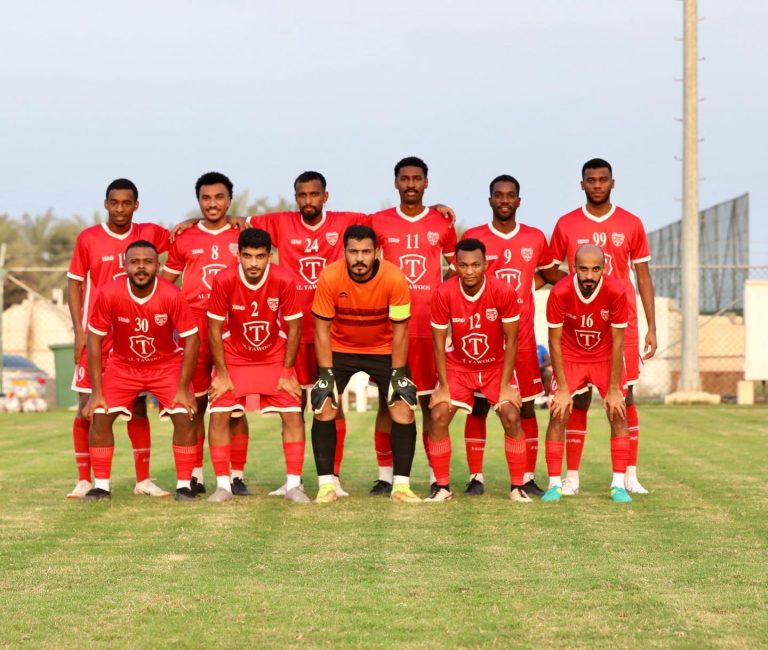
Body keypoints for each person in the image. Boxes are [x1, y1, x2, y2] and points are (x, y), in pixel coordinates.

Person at [548, 158, 656, 495]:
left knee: (625, 397)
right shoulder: (566, 223)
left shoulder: (631, 223)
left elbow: (643, 276)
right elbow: (549, 268)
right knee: (577, 400)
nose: (597, 185)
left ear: (613, 182)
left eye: (603, 179)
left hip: (622, 323)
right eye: (591, 180)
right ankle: (571, 477)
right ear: (582, 184)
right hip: (579, 327)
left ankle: (629, 475)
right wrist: (576, 289)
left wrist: (652, 326)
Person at [66, 179, 170, 499]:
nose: (120, 209)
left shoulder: (149, 233)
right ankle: (85, 480)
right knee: (87, 406)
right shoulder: (88, 238)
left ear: (136, 205)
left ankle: (143, 480)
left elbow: (183, 237)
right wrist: (79, 331)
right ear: (106, 204)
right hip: (96, 336)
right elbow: (74, 284)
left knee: (137, 406)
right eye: (114, 202)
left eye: (127, 203)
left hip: (132, 335)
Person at [459, 175, 559, 497]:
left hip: (523, 339)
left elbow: (546, 274)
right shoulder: (474, 236)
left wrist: (579, 281)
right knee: (478, 407)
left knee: (526, 407)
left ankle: (526, 476)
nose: (504, 200)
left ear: (519, 200)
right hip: (483, 338)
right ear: (490, 200)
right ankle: (476, 477)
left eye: (510, 195)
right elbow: (458, 276)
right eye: (498, 195)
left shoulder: (534, 237)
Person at [80, 241, 200, 501]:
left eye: (147, 262)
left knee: (185, 415)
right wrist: (96, 391)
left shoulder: (171, 294)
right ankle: (101, 486)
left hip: (165, 365)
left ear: (158, 265)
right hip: (123, 366)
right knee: (99, 414)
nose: (141, 267)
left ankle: (184, 486)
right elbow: (94, 338)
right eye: (135, 262)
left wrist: (183, 387)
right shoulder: (110, 293)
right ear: (125, 266)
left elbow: (192, 338)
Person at [309, 224, 420, 503]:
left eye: (366, 252)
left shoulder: (394, 277)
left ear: (376, 252)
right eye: (353, 251)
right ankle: (326, 486)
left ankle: (401, 487)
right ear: (344, 252)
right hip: (340, 348)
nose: (359, 258)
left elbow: (401, 331)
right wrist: (325, 374)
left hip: (384, 349)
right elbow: (321, 329)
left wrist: (398, 374)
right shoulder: (330, 276)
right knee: (324, 404)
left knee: (402, 408)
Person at [370, 156, 457, 495]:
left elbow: (458, 267)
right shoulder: (378, 221)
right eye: (404, 178)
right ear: (395, 183)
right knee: (387, 403)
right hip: (391, 329)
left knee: (431, 404)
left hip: (430, 329)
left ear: (426, 182)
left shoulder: (442, 222)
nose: (410, 184)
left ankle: (437, 477)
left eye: (416, 178)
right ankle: (385, 476)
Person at [162, 172, 250, 496]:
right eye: (206, 198)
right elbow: (165, 283)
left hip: (232, 325)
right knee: (194, 405)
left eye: (219, 197)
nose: (213, 204)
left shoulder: (243, 233)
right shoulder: (184, 237)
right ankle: (195, 476)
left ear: (230, 200)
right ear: (198, 201)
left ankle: (236, 476)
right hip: (194, 326)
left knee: (234, 406)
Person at [206, 228, 309, 503]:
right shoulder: (224, 279)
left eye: (260, 256)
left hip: (273, 355)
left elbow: (295, 327)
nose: (253, 263)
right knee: (219, 414)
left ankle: (294, 485)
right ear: (238, 255)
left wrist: (287, 372)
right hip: (235, 356)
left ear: (269, 256)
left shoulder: (284, 279)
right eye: (248, 256)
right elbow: (214, 328)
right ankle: (223, 486)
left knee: (292, 413)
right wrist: (222, 374)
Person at [428, 238, 530, 502]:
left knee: (511, 416)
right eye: (463, 265)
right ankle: (442, 487)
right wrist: (443, 386)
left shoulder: (503, 291)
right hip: (459, 366)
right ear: (456, 265)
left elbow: (512, 341)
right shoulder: (444, 292)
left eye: (475, 265)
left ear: (486, 264)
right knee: (438, 415)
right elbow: (438, 343)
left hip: (495, 366)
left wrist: (506, 385)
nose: (469, 271)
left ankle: (518, 487)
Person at [541, 244, 633, 503]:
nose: (589, 276)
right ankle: (554, 484)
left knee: (618, 411)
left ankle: (618, 485)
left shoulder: (616, 290)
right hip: (571, 356)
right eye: (583, 269)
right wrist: (562, 388)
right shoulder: (560, 292)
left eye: (595, 269)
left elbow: (618, 341)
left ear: (604, 268)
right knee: (558, 412)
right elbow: (554, 340)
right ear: (574, 268)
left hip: (604, 356)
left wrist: (613, 389)